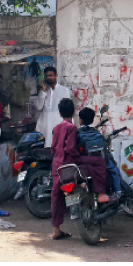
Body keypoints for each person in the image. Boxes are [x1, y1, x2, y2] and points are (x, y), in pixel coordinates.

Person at [50, 97, 109, 240]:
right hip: (70, 163)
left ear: (59, 113)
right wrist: (77, 155)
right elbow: (70, 148)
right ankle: (100, 193)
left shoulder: (56, 128)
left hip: (57, 166)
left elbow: (53, 148)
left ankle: (56, 229)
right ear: (74, 112)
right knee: (99, 162)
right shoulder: (71, 128)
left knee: (56, 196)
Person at [77, 107, 122, 199]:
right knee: (113, 169)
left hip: (84, 162)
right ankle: (117, 191)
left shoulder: (77, 133)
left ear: (80, 120)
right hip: (100, 161)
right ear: (93, 120)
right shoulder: (98, 134)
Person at [35, 66, 71, 147]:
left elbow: (68, 111)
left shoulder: (64, 91)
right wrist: (43, 91)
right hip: (46, 126)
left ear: (56, 76)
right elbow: (39, 107)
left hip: (58, 125)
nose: (49, 78)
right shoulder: (44, 92)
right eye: (47, 76)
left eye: (51, 75)